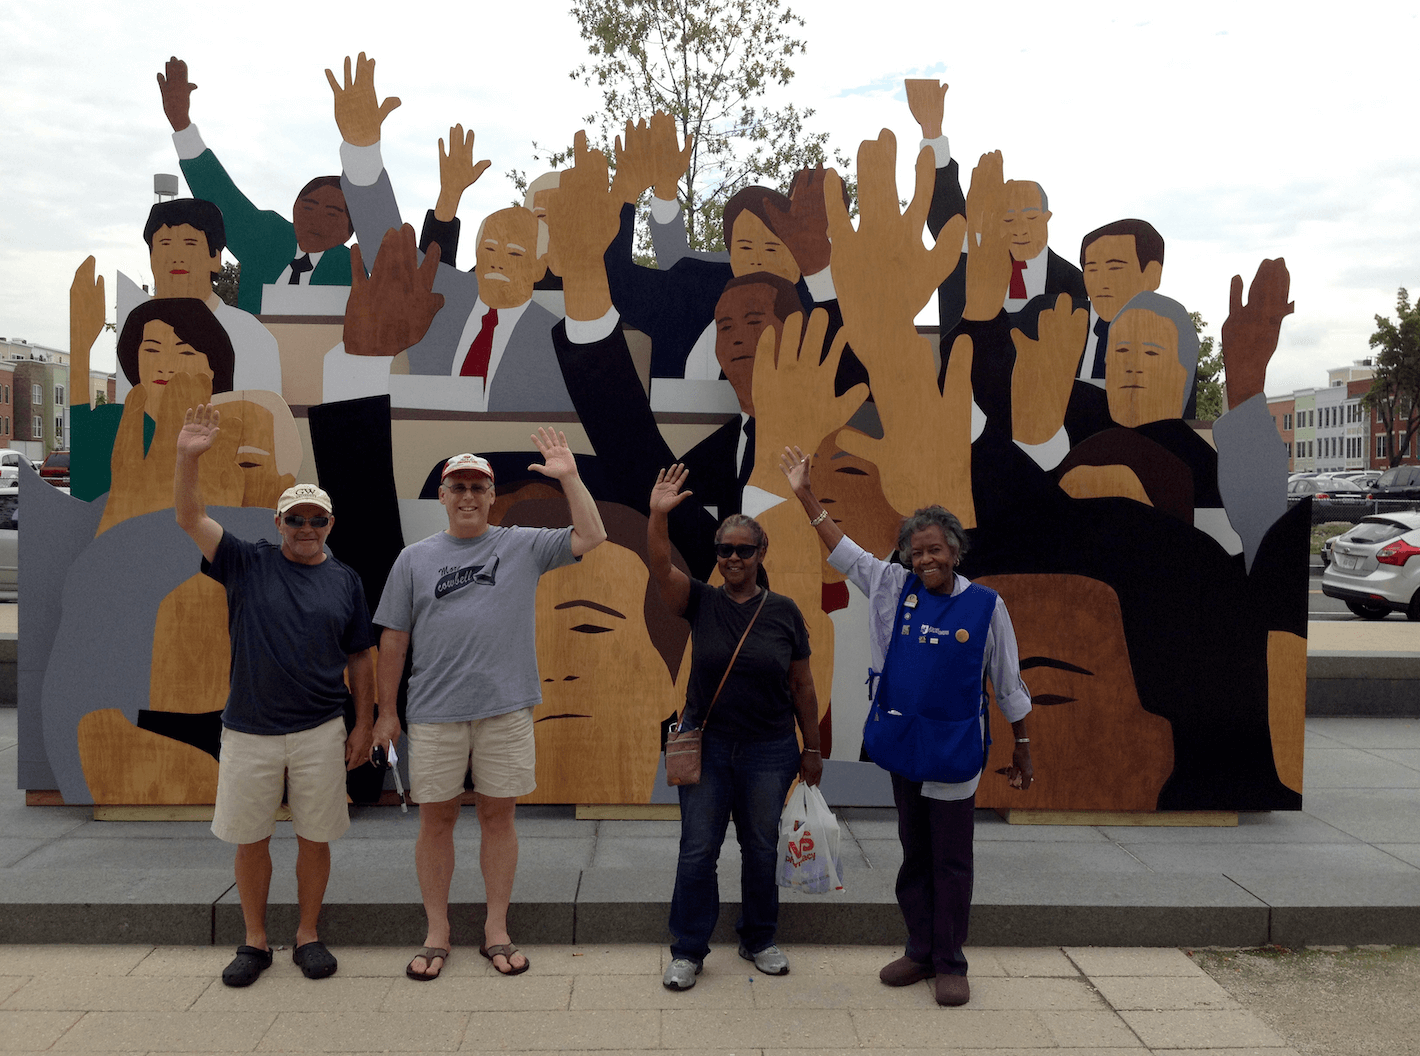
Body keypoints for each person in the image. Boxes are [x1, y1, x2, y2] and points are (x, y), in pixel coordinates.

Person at [780, 449, 1032, 1007]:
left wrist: (1024, 748)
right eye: (916, 551)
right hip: (905, 748)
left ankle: (951, 962)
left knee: (952, 859)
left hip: (955, 751)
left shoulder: (988, 607)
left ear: (956, 552)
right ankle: (919, 951)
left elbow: (1009, 682)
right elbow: (843, 553)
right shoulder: (893, 587)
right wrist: (804, 493)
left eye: (935, 549)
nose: (925, 560)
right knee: (914, 852)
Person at [371, 435, 607, 981]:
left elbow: (592, 534)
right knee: (437, 821)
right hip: (433, 713)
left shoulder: (522, 544)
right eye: (459, 488)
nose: (469, 496)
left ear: (492, 494)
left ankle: (495, 929)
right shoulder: (414, 559)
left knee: (500, 818)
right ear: (443, 495)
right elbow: (393, 642)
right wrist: (388, 712)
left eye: (479, 487)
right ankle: (437, 930)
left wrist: (568, 476)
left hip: (505, 709)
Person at [173, 407, 376, 988]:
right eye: (296, 519)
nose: (306, 529)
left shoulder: (346, 580)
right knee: (250, 838)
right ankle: (255, 941)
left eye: (316, 520)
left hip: (320, 731)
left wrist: (364, 724)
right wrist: (188, 456)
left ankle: (308, 935)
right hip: (248, 730)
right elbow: (190, 517)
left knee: (315, 837)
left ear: (330, 524)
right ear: (279, 521)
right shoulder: (243, 560)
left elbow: (361, 656)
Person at [648, 465, 822, 991]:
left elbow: (804, 688)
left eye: (744, 550)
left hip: (771, 749)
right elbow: (660, 566)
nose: (733, 558)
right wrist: (658, 514)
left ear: (761, 555)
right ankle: (688, 949)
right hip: (710, 746)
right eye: (725, 549)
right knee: (698, 849)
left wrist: (812, 750)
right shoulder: (699, 601)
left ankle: (759, 938)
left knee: (761, 847)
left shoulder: (785, 613)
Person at [328, 54, 574, 412]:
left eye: (515, 254)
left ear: (539, 266)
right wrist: (362, 148)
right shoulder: (439, 299)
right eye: (488, 249)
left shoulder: (556, 339)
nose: (498, 263)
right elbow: (388, 248)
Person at [158, 56, 354, 315]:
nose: (316, 220)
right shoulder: (267, 238)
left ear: (348, 230)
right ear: (294, 209)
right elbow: (221, 197)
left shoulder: (348, 266)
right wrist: (182, 125)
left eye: (331, 214)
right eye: (308, 207)